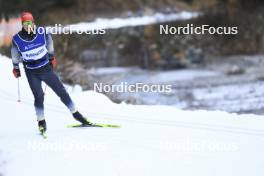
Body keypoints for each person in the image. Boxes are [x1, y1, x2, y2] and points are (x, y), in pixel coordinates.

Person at [11, 12, 91, 133]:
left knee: (62, 92)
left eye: (30, 23)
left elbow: (50, 43)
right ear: (22, 25)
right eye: (25, 23)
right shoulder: (17, 39)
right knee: (39, 97)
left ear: (33, 22)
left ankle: (76, 114)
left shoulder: (42, 32)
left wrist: (51, 57)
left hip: (45, 68)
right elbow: (15, 54)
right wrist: (15, 67)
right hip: (32, 72)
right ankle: (41, 122)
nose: (28, 26)